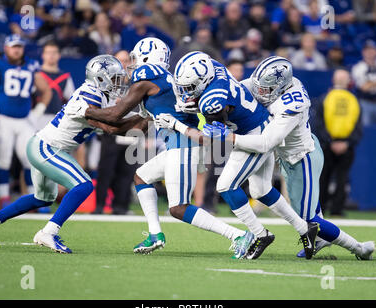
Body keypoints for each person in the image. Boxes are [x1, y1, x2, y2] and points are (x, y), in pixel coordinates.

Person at [70, 38, 260, 259]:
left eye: (136, 57)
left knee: (178, 208)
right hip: (177, 145)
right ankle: (155, 234)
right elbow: (136, 126)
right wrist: (101, 126)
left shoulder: (148, 75)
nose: (132, 64)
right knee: (141, 177)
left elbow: (116, 113)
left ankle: (238, 235)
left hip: (183, 144)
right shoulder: (159, 86)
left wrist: (86, 111)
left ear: (149, 57)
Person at [0, 54, 145, 253]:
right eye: (114, 78)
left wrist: (146, 120)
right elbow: (112, 127)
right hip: (46, 148)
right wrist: (143, 118)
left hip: (45, 146)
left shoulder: (102, 96)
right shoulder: (90, 93)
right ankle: (49, 232)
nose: (119, 82)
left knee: (43, 198)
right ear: (100, 78)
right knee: (83, 185)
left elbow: (118, 125)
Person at [156, 51, 319, 260]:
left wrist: (176, 124)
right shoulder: (213, 67)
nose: (183, 92)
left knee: (225, 185)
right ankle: (305, 228)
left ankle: (261, 234)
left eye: (188, 88)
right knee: (260, 190)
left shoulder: (212, 101)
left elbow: (210, 137)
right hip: (258, 122)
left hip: (253, 135)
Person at [216, 57, 374, 260]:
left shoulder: (293, 102)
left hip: (302, 157)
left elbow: (266, 143)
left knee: (309, 219)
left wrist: (230, 137)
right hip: (287, 157)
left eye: (265, 89)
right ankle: (320, 240)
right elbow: (241, 89)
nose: (259, 92)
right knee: (301, 212)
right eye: (259, 86)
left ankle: (360, 248)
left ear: (280, 86)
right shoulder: (268, 85)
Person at [0, 34, 52, 209]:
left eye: (20, 46)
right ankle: (4, 198)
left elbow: (47, 90)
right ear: (5, 48)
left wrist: (39, 110)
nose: (17, 49)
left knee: (31, 159)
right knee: (3, 160)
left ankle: (34, 199)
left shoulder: (31, 65)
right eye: (13, 46)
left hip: (24, 120)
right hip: (2, 119)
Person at [93, 50, 138, 215]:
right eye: (120, 61)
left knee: (126, 172)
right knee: (106, 171)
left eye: (126, 61)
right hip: (111, 131)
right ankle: (99, 206)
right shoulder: (107, 82)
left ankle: (121, 206)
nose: (124, 64)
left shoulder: (137, 83)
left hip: (131, 131)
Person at [315, 69, 363, 218]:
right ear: (348, 81)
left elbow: (318, 124)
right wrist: (347, 142)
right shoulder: (354, 100)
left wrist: (330, 141)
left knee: (324, 177)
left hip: (327, 145)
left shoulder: (326, 98)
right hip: (345, 146)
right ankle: (337, 209)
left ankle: (321, 208)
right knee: (342, 178)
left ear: (334, 80)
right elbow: (358, 126)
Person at [35, 41, 75, 130]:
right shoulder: (36, 74)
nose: (51, 55)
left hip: (56, 118)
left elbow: (72, 100)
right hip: (36, 117)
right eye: (48, 53)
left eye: (54, 53)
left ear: (59, 55)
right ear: (43, 55)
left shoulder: (65, 77)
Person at [351, 39, 376, 126]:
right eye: (367, 50)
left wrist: (371, 83)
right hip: (365, 102)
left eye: (372, 49)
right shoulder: (358, 68)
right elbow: (364, 87)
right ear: (363, 52)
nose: (370, 52)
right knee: (365, 128)